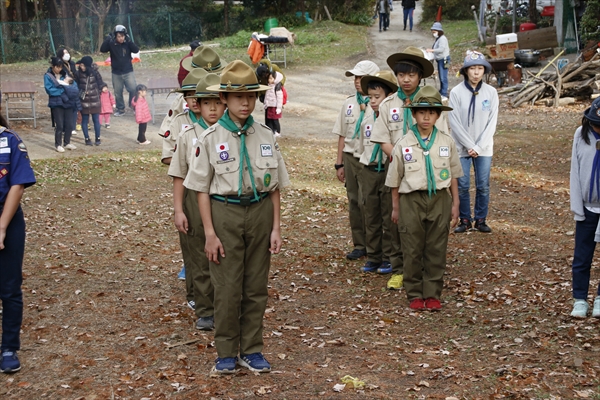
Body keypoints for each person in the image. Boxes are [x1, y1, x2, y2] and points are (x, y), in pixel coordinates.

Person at [183, 60, 290, 375]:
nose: (246, 103)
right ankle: (227, 352)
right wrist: (210, 234)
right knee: (228, 287)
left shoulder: (266, 135)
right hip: (225, 213)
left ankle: (252, 349)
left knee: (256, 287)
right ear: (225, 99)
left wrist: (276, 228)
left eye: (251, 96)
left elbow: (274, 188)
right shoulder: (210, 138)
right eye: (238, 97)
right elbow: (201, 189)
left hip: (259, 212)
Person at [370, 46, 443, 290]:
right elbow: (382, 139)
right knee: (397, 221)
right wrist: (401, 161)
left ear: (420, 76)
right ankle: (399, 268)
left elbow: (442, 139)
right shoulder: (388, 104)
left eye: (411, 74)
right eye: (402, 75)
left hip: (425, 175)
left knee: (427, 221)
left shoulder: (432, 102)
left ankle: (424, 267)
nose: (406, 79)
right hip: (396, 171)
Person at [385, 85, 462, 311]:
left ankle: (433, 293)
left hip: (439, 199)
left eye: (431, 112)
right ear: (414, 114)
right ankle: (415, 292)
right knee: (412, 247)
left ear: (438, 115)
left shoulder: (446, 142)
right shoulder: (403, 144)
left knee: (436, 247)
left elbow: (455, 176)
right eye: (421, 112)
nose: (426, 117)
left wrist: (455, 203)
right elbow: (394, 180)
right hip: (411, 201)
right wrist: (396, 208)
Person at [168, 73, 225, 330]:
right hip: (193, 196)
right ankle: (205, 309)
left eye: (217, 102)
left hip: (223, 196)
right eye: (206, 103)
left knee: (224, 251)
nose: (212, 108)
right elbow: (179, 175)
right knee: (199, 253)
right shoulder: (187, 134)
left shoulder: (228, 132)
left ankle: (225, 304)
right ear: (197, 105)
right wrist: (179, 209)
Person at [161, 67, 208, 309]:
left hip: (214, 191)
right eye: (191, 96)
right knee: (191, 245)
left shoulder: (218, 120)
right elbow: (170, 158)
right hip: (189, 186)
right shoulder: (181, 123)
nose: (196, 101)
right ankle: (194, 295)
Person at [0, 113, 36, 374]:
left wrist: (1, 228)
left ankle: (8, 348)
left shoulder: (10, 141)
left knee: (9, 287)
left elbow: (18, 184)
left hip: (7, 218)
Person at [333, 60, 380, 262]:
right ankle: (360, 244)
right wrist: (339, 162)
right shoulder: (349, 103)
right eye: (355, 78)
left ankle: (375, 246)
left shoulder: (380, 103)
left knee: (370, 202)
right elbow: (343, 134)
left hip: (370, 159)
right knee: (354, 202)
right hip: (351, 158)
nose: (357, 82)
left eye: (361, 77)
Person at [449, 51, 498, 234]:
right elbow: (454, 122)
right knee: (462, 184)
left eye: (479, 68)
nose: (476, 72)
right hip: (462, 146)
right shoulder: (456, 92)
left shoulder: (491, 92)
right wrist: (469, 145)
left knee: (483, 184)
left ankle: (480, 219)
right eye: (472, 68)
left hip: (484, 146)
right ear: (466, 71)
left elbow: (492, 122)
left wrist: (478, 146)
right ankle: (464, 219)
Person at [357, 71, 398, 274]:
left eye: (377, 97)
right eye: (370, 97)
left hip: (387, 169)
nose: (373, 101)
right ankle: (373, 255)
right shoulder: (366, 116)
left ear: (389, 96)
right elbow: (361, 144)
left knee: (388, 214)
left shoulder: (392, 117)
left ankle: (389, 257)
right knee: (370, 213)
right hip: (369, 169)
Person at [569, 97, 600, 318]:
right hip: (587, 208)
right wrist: (577, 206)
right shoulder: (581, 135)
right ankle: (580, 299)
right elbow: (575, 170)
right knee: (582, 256)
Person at [100, 25, 139, 116]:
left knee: (133, 88)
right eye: (119, 36)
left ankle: (133, 105)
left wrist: (130, 41)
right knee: (118, 92)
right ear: (115, 36)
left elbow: (136, 50)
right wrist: (107, 39)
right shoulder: (112, 44)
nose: (121, 38)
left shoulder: (127, 43)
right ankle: (120, 109)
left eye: (123, 36)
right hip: (116, 72)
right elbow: (102, 50)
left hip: (128, 71)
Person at [44, 57, 79, 152]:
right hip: (56, 103)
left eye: (60, 67)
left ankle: (67, 142)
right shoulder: (48, 76)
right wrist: (63, 88)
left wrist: (65, 86)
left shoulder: (66, 74)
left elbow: (74, 86)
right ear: (53, 66)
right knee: (59, 125)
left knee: (69, 124)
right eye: (57, 67)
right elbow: (49, 90)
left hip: (68, 102)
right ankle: (58, 144)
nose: (59, 69)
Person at [76, 56, 105, 146]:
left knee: (96, 119)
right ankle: (87, 138)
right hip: (84, 100)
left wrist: (99, 90)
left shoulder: (95, 73)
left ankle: (98, 137)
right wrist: (81, 93)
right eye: (80, 65)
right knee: (84, 120)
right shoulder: (77, 74)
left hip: (94, 100)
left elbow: (101, 83)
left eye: (83, 65)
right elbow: (76, 86)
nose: (81, 67)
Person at [56, 47, 79, 135]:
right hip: (65, 88)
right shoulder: (60, 65)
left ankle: (72, 127)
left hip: (73, 87)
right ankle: (64, 128)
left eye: (67, 52)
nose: (67, 54)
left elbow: (75, 73)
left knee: (74, 108)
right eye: (64, 53)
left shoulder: (72, 63)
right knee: (66, 109)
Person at [426, 22, 450, 100]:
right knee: (441, 76)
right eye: (433, 32)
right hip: (440, 59)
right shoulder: (438, 38)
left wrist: (432, 50)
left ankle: (444, 93)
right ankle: (442, 91)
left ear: (439, 31)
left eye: (434, 32)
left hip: (444, 59)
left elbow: (441, 49)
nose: (433, 33)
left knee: (443, 77)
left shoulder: (442, 38)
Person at [263, 71, 284, 137]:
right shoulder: (268, 87)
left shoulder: (277, 88)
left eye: (271, 78)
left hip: (275, 106)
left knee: (275, 120)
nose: (270, 80)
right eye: (269, 78)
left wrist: (279, 108)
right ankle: (271, 131)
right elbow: (267, 96)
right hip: (269, 106)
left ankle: (277, 131)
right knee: (270, 119)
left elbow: (279, 98)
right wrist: (265, 103)